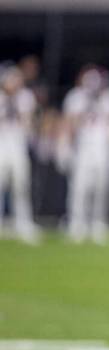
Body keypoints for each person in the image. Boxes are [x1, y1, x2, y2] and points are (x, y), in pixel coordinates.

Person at [58, 66, 109, 244]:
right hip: (83, 146)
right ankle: (77, 223)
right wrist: (64, 146)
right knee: (79, 187)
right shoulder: (76, 97)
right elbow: (68, 123)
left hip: (103, 147)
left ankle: (98, 223)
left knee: (102, 187)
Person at [0, 63, 40, 244]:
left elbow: (29, 122)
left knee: (21, 186)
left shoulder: (25, 97)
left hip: (18, 145)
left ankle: (23, 223)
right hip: (1, 144)